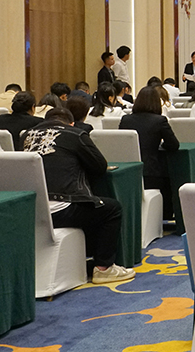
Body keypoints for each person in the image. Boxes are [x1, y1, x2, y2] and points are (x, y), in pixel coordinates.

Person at [23, 108, 135, 283]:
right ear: (72, 123)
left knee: (93, 207)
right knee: (111, 209)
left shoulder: (27, 136)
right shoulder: (75, 134)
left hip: (31, 210)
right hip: (61, 208)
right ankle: (104, 268)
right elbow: (99, 166)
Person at [119, 87, 180, 220]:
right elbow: (174, 145)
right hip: (151, 172)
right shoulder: (160, 120)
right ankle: (165, 217)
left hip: (128, 173)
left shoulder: (125, 120)